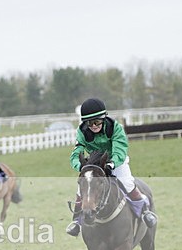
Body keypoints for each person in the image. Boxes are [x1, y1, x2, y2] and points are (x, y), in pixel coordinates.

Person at [66, 97, 158, 237]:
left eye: (97, 122)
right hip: (95, 163)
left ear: (104, 119)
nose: (94, 126)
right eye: (90, 123)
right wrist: (80, 167)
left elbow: (120, 149)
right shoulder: (82, 131)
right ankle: (77, 222)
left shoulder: (115, 128)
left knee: (127, 182)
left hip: (116, 161)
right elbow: (76, 152)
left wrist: (112, 163)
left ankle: (145, 212)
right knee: (82, 188)